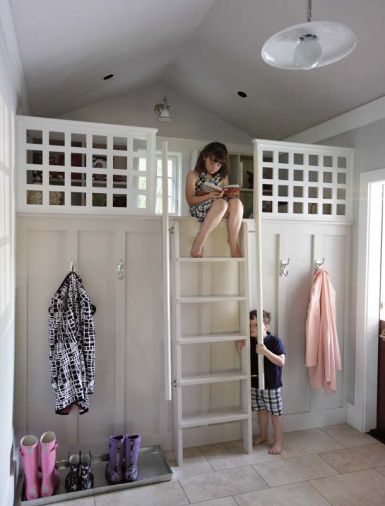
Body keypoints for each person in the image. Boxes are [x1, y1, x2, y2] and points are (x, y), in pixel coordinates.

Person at [237, 310, 286, 454]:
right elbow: (246, 361)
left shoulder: (274, 341)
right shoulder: (250, 341)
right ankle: (263, 435)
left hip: (271, 385)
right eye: (250, 325)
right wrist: (238, 349)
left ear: (266, 326)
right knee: (261, 411)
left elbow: (281, 361)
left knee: (275, 414)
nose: (252, 328)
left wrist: (265, 352)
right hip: (255, 384)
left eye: (256, 325)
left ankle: (278, 442)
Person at [185, 142, 243, 258]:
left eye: (218, 165)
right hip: (200, 208)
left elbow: (225, 196)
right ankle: (199, 242)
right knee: (222, 204)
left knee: (236, 202)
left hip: (218, 208)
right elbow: (190, 201)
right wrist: (209, 195)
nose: (214, 167)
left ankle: (233, 243)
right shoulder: (193, 175)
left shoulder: (222, 177)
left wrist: (228, 193)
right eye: (211, 163)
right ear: (204, 157)